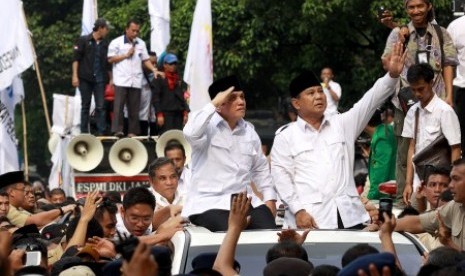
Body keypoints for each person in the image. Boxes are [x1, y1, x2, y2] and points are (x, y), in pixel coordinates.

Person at [270, 42, 405, 229]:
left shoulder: (341, 124)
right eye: (311, 93)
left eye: (320, 91)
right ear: (297, 103)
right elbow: (282, 178)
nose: (318, 96)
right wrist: (298, 211)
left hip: (350, 216)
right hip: (312, 219)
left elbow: (370, 100)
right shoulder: (286, 136)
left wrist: (392, 76)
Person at [382, 0, 458, 206]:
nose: (416, 11)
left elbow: (449, 64)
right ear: (406, 9)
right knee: (404, 151)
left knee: (441, 151)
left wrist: (449, 95)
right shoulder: (398, 32)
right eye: (411, 7)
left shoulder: (441, 34)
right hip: (405, 104)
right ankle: (402, 201)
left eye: (420, 6)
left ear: (429, 6)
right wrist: (398, 36)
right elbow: (387, 63)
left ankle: (445, 199)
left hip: (437, 101)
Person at [183, 75, 277, 232]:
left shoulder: (249, 131)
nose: (241, 102)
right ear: (219, 104)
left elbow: (260, 168)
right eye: (233, 98)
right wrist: (213, 103)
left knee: (270, 233)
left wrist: (270, 199)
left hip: (246, 202)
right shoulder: (205, 126)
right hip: (209, 204)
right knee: (231, 236)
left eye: (242, 97)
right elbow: (190, 133)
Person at [402, 63, 461, 204]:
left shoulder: (445, 111)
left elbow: (455, 148)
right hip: (419, 180)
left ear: (431, 83)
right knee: (417, 220)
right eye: (413, 90)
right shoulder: (412, 112)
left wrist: (453, 182)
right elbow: (411, 147)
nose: (417, 94)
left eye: (421, 89)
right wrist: (408, 183)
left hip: (441, 182)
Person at [395, 158, 465, 251]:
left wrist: (449, 243)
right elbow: (418, 222)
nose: (451, 186)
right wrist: (385, 225)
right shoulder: (455, 207)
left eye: (456, 179)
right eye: (433, 185)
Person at [108, 19, 162, 137]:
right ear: (126, 29)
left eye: (137, 31)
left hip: (136, 80)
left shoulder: (141, 43)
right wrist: (125, 55)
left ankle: (132, 131)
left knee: (134, 108)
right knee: (119, 106)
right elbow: (110, 59)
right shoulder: (116, 42)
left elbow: (146, 59)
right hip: (121, 79)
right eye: (133, 30)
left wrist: (154, 70)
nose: (135, 33)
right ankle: (118, 130)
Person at [72, 18, 111, 135]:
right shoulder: (83, 40)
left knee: (101, 106)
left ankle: (101, 132)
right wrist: (75, 76)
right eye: (106, 29)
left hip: (100, 78)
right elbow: (76, 59)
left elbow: (108, 63)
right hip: (85, 77)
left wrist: (111, 79)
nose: (107, 31)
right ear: (100, 28)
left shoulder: (106, 44)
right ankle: (84, 132)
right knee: (85, 104)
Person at [0, 171, 75, 228]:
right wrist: (62, 210)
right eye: (23, 190)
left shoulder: (17, 208)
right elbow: (34, 221)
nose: (25, 194)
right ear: (12, 192)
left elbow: (38, 223)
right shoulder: (8, 209)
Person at [115, 186, 183, 245]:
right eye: (134, 218)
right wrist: (162, 236)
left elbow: (153, 222)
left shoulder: (144, 222)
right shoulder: (114, 228)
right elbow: (130, 244)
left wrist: (169, 208)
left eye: (146, 219)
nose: (140, 224)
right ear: (122, 211)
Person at [152, 53, 190, 134]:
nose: (173, 66)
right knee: (166, 138)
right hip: (165, 115)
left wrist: (185, 113)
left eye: (175, 63)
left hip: (178, 115)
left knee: (178, 137)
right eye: (170, 63)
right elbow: (156, 99)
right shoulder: (158, 79)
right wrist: (159, 114)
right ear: (165, 65)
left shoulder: (178, 80)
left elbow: (183, 98)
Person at [365, 109, 397, 200]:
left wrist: (370, 197)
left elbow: (381, 173)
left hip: (387, 196)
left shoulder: (381, 138)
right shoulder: (386, 130)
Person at [147, 158, 183, 229]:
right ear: (151, 181)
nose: (169, 183)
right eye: (163, 178)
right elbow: (146, 228)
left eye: (173, 177)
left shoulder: (188, 197)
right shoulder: (143, 199)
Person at [447, 15, 465, 155]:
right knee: (461, 138)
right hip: (462, 89)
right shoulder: (455, 26)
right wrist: (448, 95)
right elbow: (448, 63)